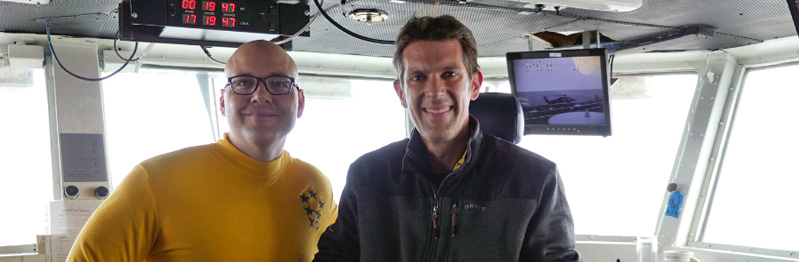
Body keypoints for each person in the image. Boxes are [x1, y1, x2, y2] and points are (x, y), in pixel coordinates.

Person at [314, 15, 582, 261]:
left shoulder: (534, 179)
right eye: (418, 77)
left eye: (449, 74)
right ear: (401, 92)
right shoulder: (368, 175)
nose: (434, 91)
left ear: (474, 84)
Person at [67, 40, 337, 262]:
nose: (260, 95)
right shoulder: (154, 181)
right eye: (243, 82)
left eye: (278, 83)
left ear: (299, 102)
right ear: (222, 101)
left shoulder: (315, 184)